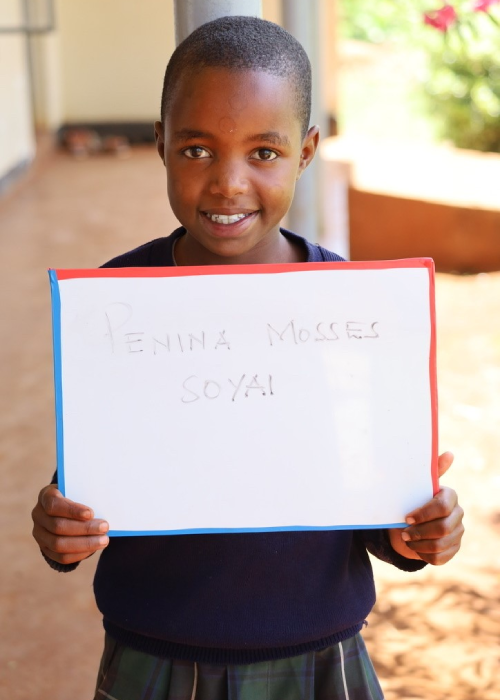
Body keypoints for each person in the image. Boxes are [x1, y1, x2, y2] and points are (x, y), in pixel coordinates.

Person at [31, 16, 464, 700]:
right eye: (198, 150)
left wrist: (414, 532)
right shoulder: (117, 310)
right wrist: (59, 527)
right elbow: (88, 486)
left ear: (307, 150)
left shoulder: (353, 312)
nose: (228, 184)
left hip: (320, 653)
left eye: (264, 152)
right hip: (159, 656)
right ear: (161, 145)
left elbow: (375, 500)